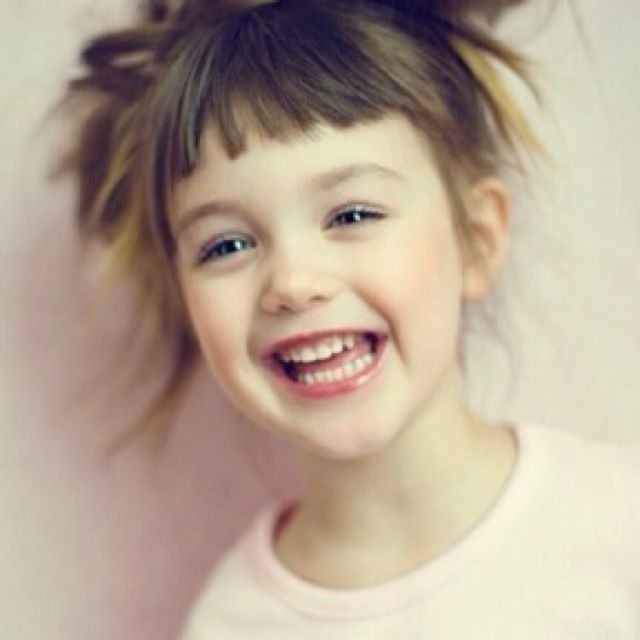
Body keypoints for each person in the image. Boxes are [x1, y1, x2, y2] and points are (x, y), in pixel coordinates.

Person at [62, 0, 640, 637]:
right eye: (226, 245)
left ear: (476, 240)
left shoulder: (620, 525)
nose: (292, 283)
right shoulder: (231, 625)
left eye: (352, 215)